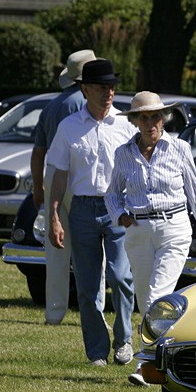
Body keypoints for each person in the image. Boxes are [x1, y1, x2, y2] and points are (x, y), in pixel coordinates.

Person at [106, 91, 196, 386]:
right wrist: (120, 215)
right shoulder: (123, 153)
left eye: (155, 117)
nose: (150, 124)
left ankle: (146, 363)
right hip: (138, 231)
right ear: (134, 122)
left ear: (164, 118)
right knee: (146, 299)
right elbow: (111, 193)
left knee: (159, 295)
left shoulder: (180, 148)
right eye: (143, 118)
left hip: (175, 228)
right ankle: (168, 356)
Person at [46, 59, 137, 367]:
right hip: (82, 208)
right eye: (101, 87)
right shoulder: (69, 127)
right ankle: (97, 350)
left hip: (117, 207)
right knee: (87, 285)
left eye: (111, 87)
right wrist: (54, 215)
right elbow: (58, 174)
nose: (108, 92)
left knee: (120, 276)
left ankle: (124, 341)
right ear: (85, 89)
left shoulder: (126, 125)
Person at [31, 48, 102, 325]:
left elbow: (38, 153)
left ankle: (55, 311)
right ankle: (96, 309)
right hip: (83, 176)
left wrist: (39, 188)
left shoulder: (51, 106)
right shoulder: (87, 103)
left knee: (56, 249)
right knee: (96, 245)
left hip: (53, 174)